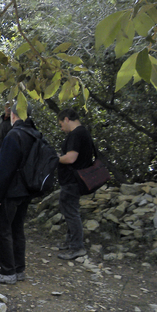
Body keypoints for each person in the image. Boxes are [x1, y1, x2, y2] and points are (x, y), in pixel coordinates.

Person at [0, 104, 39, 284]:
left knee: (3, 230)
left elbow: (4, 169)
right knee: (18, 229)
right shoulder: (35, 134)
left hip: (11, 190)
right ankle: (19, 268)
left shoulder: (13, 135)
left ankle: (8, 271)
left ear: (14, 115)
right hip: (27, 189)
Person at [55, 107, 96, 260]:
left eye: (61, 124)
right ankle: (70, 242)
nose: (61, 128)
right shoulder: (83, 132)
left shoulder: (76, 134)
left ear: (66, 119)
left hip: (73, 180)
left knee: (71, 212)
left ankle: (77, 247)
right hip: (76, 179)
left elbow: (71, 158)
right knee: (70, 210)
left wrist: (56, 158)